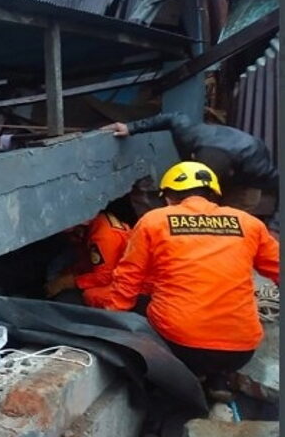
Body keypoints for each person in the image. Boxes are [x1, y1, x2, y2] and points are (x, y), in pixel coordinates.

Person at [98, 161, 280, 400]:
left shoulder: (154, 221)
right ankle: (218, 379)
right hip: (241, 350)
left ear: (168, 198)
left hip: (182, 346)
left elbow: (128, 278)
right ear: (214, 195)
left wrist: (112, 321)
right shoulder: (248, 223)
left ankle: (169, 382)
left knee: (141, 305)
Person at [102, 112, 278, 214]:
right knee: (195, 208)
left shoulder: (255, 164)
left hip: (241, 185)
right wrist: (131, 127)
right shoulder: (188, 135)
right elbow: (172, 117)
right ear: (193, 156)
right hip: (216, 160)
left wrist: (276, 227)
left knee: (230, 222)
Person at [44, 211, 133, 308]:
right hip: (115, 268)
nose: (70, 239)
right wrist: (73, 272)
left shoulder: (103, 236)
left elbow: (104, 277)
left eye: (71, 234)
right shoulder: (96, 223)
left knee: (90, 296)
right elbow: (89, 259)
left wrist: (68, 282)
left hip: (128, 282)